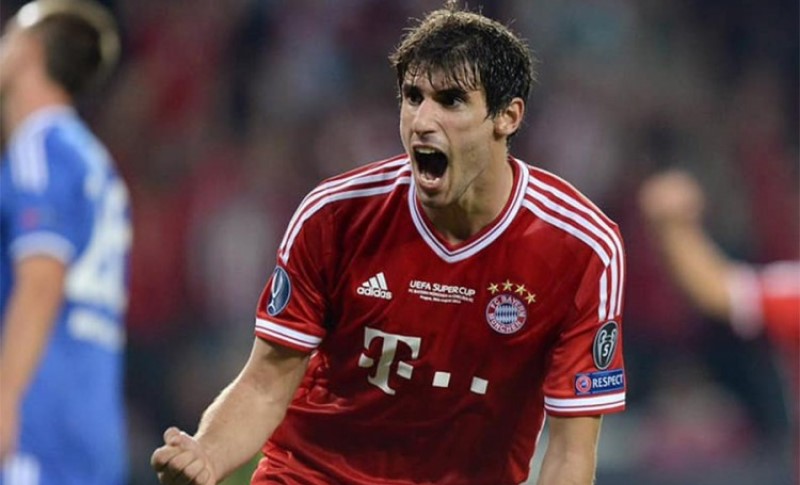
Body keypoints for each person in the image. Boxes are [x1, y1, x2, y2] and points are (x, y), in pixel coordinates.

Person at [152, 4, 627, 485]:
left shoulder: (583, 248)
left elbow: (570, 451)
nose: (422, 120)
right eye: (413, 97)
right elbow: (265, 384)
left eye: (451, 101)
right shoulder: (335, 215)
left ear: (507, 116)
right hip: (314, 475)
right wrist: (208, 454)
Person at [0, 1, 131, 484]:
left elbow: (41, 280)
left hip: (38, 416)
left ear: (29, 51)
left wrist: (5, 396)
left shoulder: (40, 147)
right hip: (91, 415)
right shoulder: (95, 161)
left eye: (8, 36)